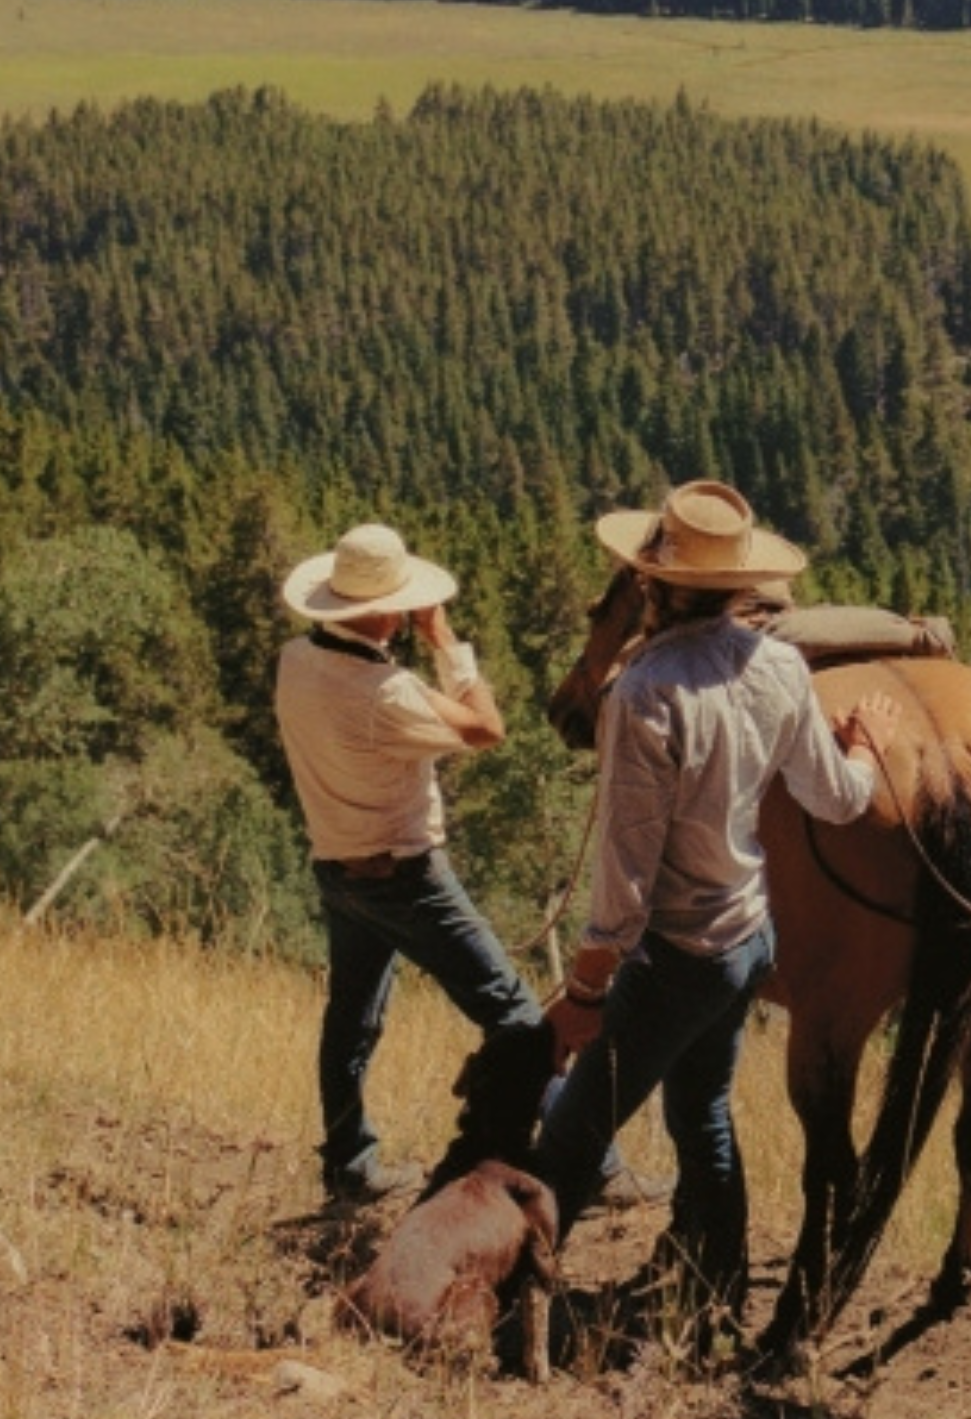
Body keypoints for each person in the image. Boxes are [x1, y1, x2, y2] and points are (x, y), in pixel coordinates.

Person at [530, 479, 900, 1340]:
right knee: (701, 1111)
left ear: (651, 587)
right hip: (745, 939)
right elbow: (839, 800)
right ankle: (721, 1283)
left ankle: (510, 1297)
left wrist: (586, 991)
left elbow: (625, 876)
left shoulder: (643, 692)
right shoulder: (777, 667)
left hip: (674, 954)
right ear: (741, 587)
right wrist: (868, 749)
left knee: (575, 1131)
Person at [276, 519, 544, 1206]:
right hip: (405, 874)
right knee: (515, 1013)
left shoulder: (296, 661)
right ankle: (580, 1160)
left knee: (352, 1020)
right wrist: (446, 643)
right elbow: (486, 727)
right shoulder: (385, 692)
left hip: (338, 867)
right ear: (388, 609)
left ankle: (349, 1164)